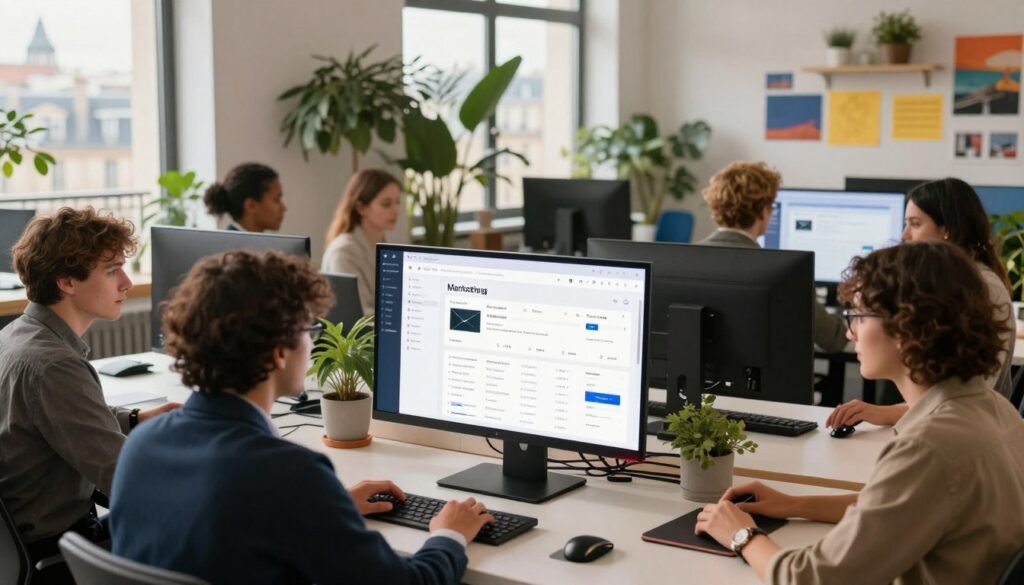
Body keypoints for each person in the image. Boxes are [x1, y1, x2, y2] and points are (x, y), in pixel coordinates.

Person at [110, 250, 493, 585]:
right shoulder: (288, 474)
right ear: (278, 352)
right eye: (309, 329)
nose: (312, 342)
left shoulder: (142, 444)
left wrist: (327, 508)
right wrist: (449, 535)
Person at [695, 241, 1024, 585]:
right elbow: (895, 509)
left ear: (906, 327)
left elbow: (813, 578)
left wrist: (743, 535)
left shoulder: (929, 448)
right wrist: (792, 505)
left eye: (858, 316)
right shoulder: (996, 409)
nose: (850, 332)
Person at [0, 207, 178, 583]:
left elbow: (50, 417)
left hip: (25, 545)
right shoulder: (53, 366)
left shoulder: (17, 336)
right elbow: (124, 478)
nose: (127, 283)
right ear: (67, 281)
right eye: (112, 270)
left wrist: (133, 419)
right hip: (59, 554)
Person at [828, 178, 1016, 429]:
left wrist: (882, 413)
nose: (905, 235)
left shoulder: (982, 289)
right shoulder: (940, 284)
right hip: (931, 419)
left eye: (915, 224)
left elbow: (964, 397)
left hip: (962, 426)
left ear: (946, 229)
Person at [698, 161, 848, 352]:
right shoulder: (784, 273)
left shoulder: (682, 262)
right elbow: (833, 340)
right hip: (761, 381)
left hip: (698, 381)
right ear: (763, 211)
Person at [321, 169, 402, 316]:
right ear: (361, 208)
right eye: (386, 204)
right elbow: (358, 314)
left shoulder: (382, 243)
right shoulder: (343, 252)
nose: (396, 210)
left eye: (398, 202)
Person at [203, 162, 286, 232]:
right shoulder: (230, 248)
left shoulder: (257, 246)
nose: (284, 208)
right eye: (276, 200)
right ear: (251, 205)